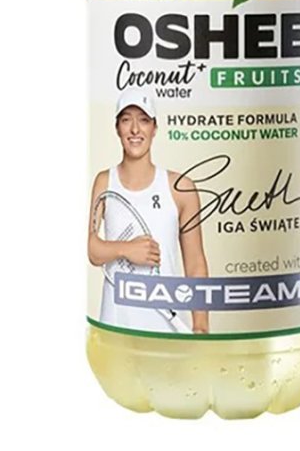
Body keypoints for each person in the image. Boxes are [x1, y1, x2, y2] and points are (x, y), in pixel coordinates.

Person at [87, 88, 210, 334]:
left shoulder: (181, 188)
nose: (135, 129)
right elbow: (92, 249)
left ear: (154, 128)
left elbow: (195, 263)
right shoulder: (104, 182)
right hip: (115, 329)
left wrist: (201, 326)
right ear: (117, 128)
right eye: (126, 120)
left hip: (167, 332)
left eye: (143, 120)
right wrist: (126, 249)